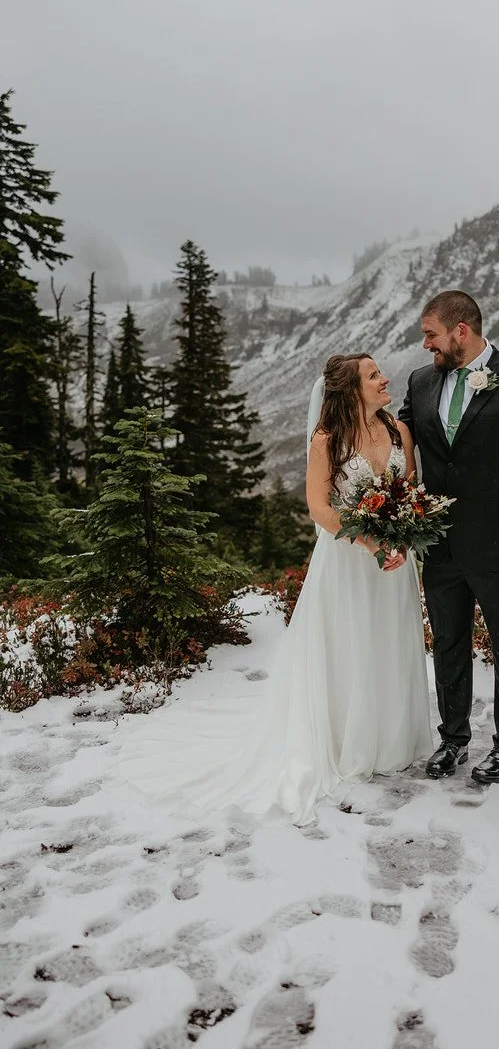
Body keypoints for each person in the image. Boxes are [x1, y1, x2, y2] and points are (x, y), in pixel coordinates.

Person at [117, 353, 432, 826]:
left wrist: (402, 540)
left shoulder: (398, 432)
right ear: (350, 391)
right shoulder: (326, 440)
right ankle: (347, 741)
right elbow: (320, 510)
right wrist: (369, 542)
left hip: (393, 564)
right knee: (347, 645)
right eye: (373, 375)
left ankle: (391, 739)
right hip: (347, 561)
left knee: (388, 643)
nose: (385, 378)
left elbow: (409, 492)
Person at [399, 290, 499, 784]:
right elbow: (398, 435)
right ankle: (454, 740)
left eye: (431, 335)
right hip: (439, 545)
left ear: (460, 330)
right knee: (447, 642)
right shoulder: (421, 382)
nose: (426, 345)